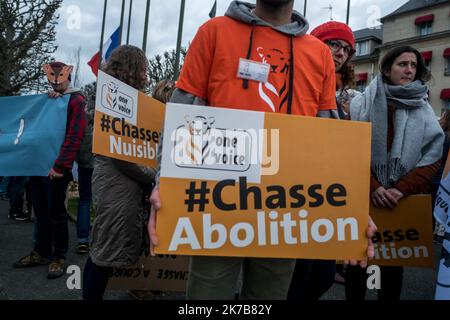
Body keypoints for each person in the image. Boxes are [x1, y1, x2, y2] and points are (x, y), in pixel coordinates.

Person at [148, 0, 377, 300]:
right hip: (216, 202)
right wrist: (162, 183)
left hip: (284, 204)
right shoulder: (213, 32)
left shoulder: (319, 53)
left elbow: (328, 136)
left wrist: (352, 207)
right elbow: (183, 112)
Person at [346, 45, 444, 300]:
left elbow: (432, 157)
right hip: (363, 198)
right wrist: (374, 186)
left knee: (390, 272)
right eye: (403, 64)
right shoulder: (360, 104)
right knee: (358, 265)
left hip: (400, 201)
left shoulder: (423, 110)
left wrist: (400, 189)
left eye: (413, 65)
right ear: (388, 69)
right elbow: (345, 152)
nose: (409, 70)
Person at [287, 20, 358, 300]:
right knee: (297, 275)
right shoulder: (297, 76)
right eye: (334, 44)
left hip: (326, 191)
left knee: (323, 277)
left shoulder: (348, 94)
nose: (341, 52)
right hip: (293, 187)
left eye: (347, 49)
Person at [82, 45, 156, 300]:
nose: (146, 74)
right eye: (143, 68)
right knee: (104, 253)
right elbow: (121, 154)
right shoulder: (114, 101)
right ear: (133, 69)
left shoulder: (125, 100)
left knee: (105, 248)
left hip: (119, 186)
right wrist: (153, 175)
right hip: (117, 187)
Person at [13, 61, 87, 279]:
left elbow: (75, 136)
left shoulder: (76, 100)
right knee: (40, 211)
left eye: (59, 78)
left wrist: (60, 166)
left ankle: (59, 256)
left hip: (55, 168)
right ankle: (41, 251)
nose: (55, 83)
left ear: (67, 77)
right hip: (38, 166)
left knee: (56, 213)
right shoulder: (49, 99)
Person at [75, 96, 95, 254]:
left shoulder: (83, 110)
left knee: (84, 200)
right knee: (101, 201)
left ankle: (83, 240)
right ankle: (99, 239)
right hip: (100, 162)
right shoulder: (108, 109)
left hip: (84, 161)